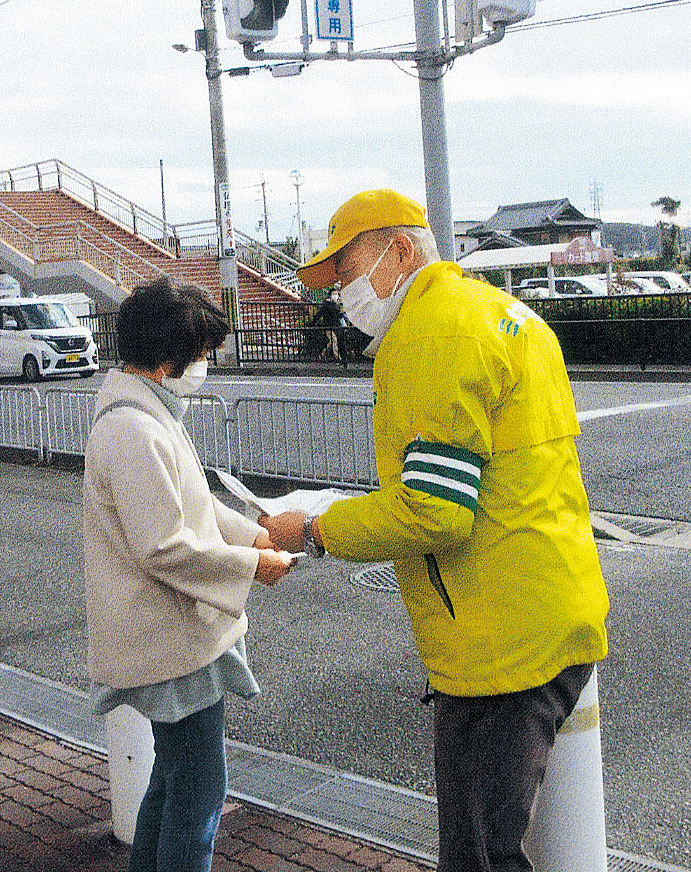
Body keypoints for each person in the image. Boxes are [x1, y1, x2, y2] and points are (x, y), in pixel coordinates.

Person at [261, 189, 609, 872]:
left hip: (495, 645)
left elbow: (434, 510)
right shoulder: (504, 314)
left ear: (398, 251)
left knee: (478, 856)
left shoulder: (430, 335)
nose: (340, 292)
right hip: (551, 606)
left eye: (346, 269)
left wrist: (313, 528)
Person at [83, 277, 292, 872]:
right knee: (199, 791)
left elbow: (193, 503)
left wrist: (256, 532)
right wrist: (256, 563)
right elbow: (166, 546)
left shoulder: (145, 416)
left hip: (169, 638)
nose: (205, 368)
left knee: (174, 782)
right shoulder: (135, 430)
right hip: (170, 642)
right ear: (170, 360)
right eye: (202, 356)